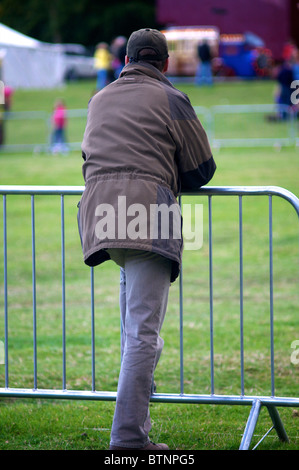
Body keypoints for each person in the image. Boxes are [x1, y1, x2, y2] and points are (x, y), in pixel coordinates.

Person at [78, 28, 216, 451]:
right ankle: (129, 440)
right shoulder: (171, 98)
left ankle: (139, 396)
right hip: (146, 214)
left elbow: (89, 155)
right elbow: (202, 169)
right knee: (142, 334)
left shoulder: (99, 99)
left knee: (134, 330)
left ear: (124, 60)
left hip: (98, 215)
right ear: (166, 63)